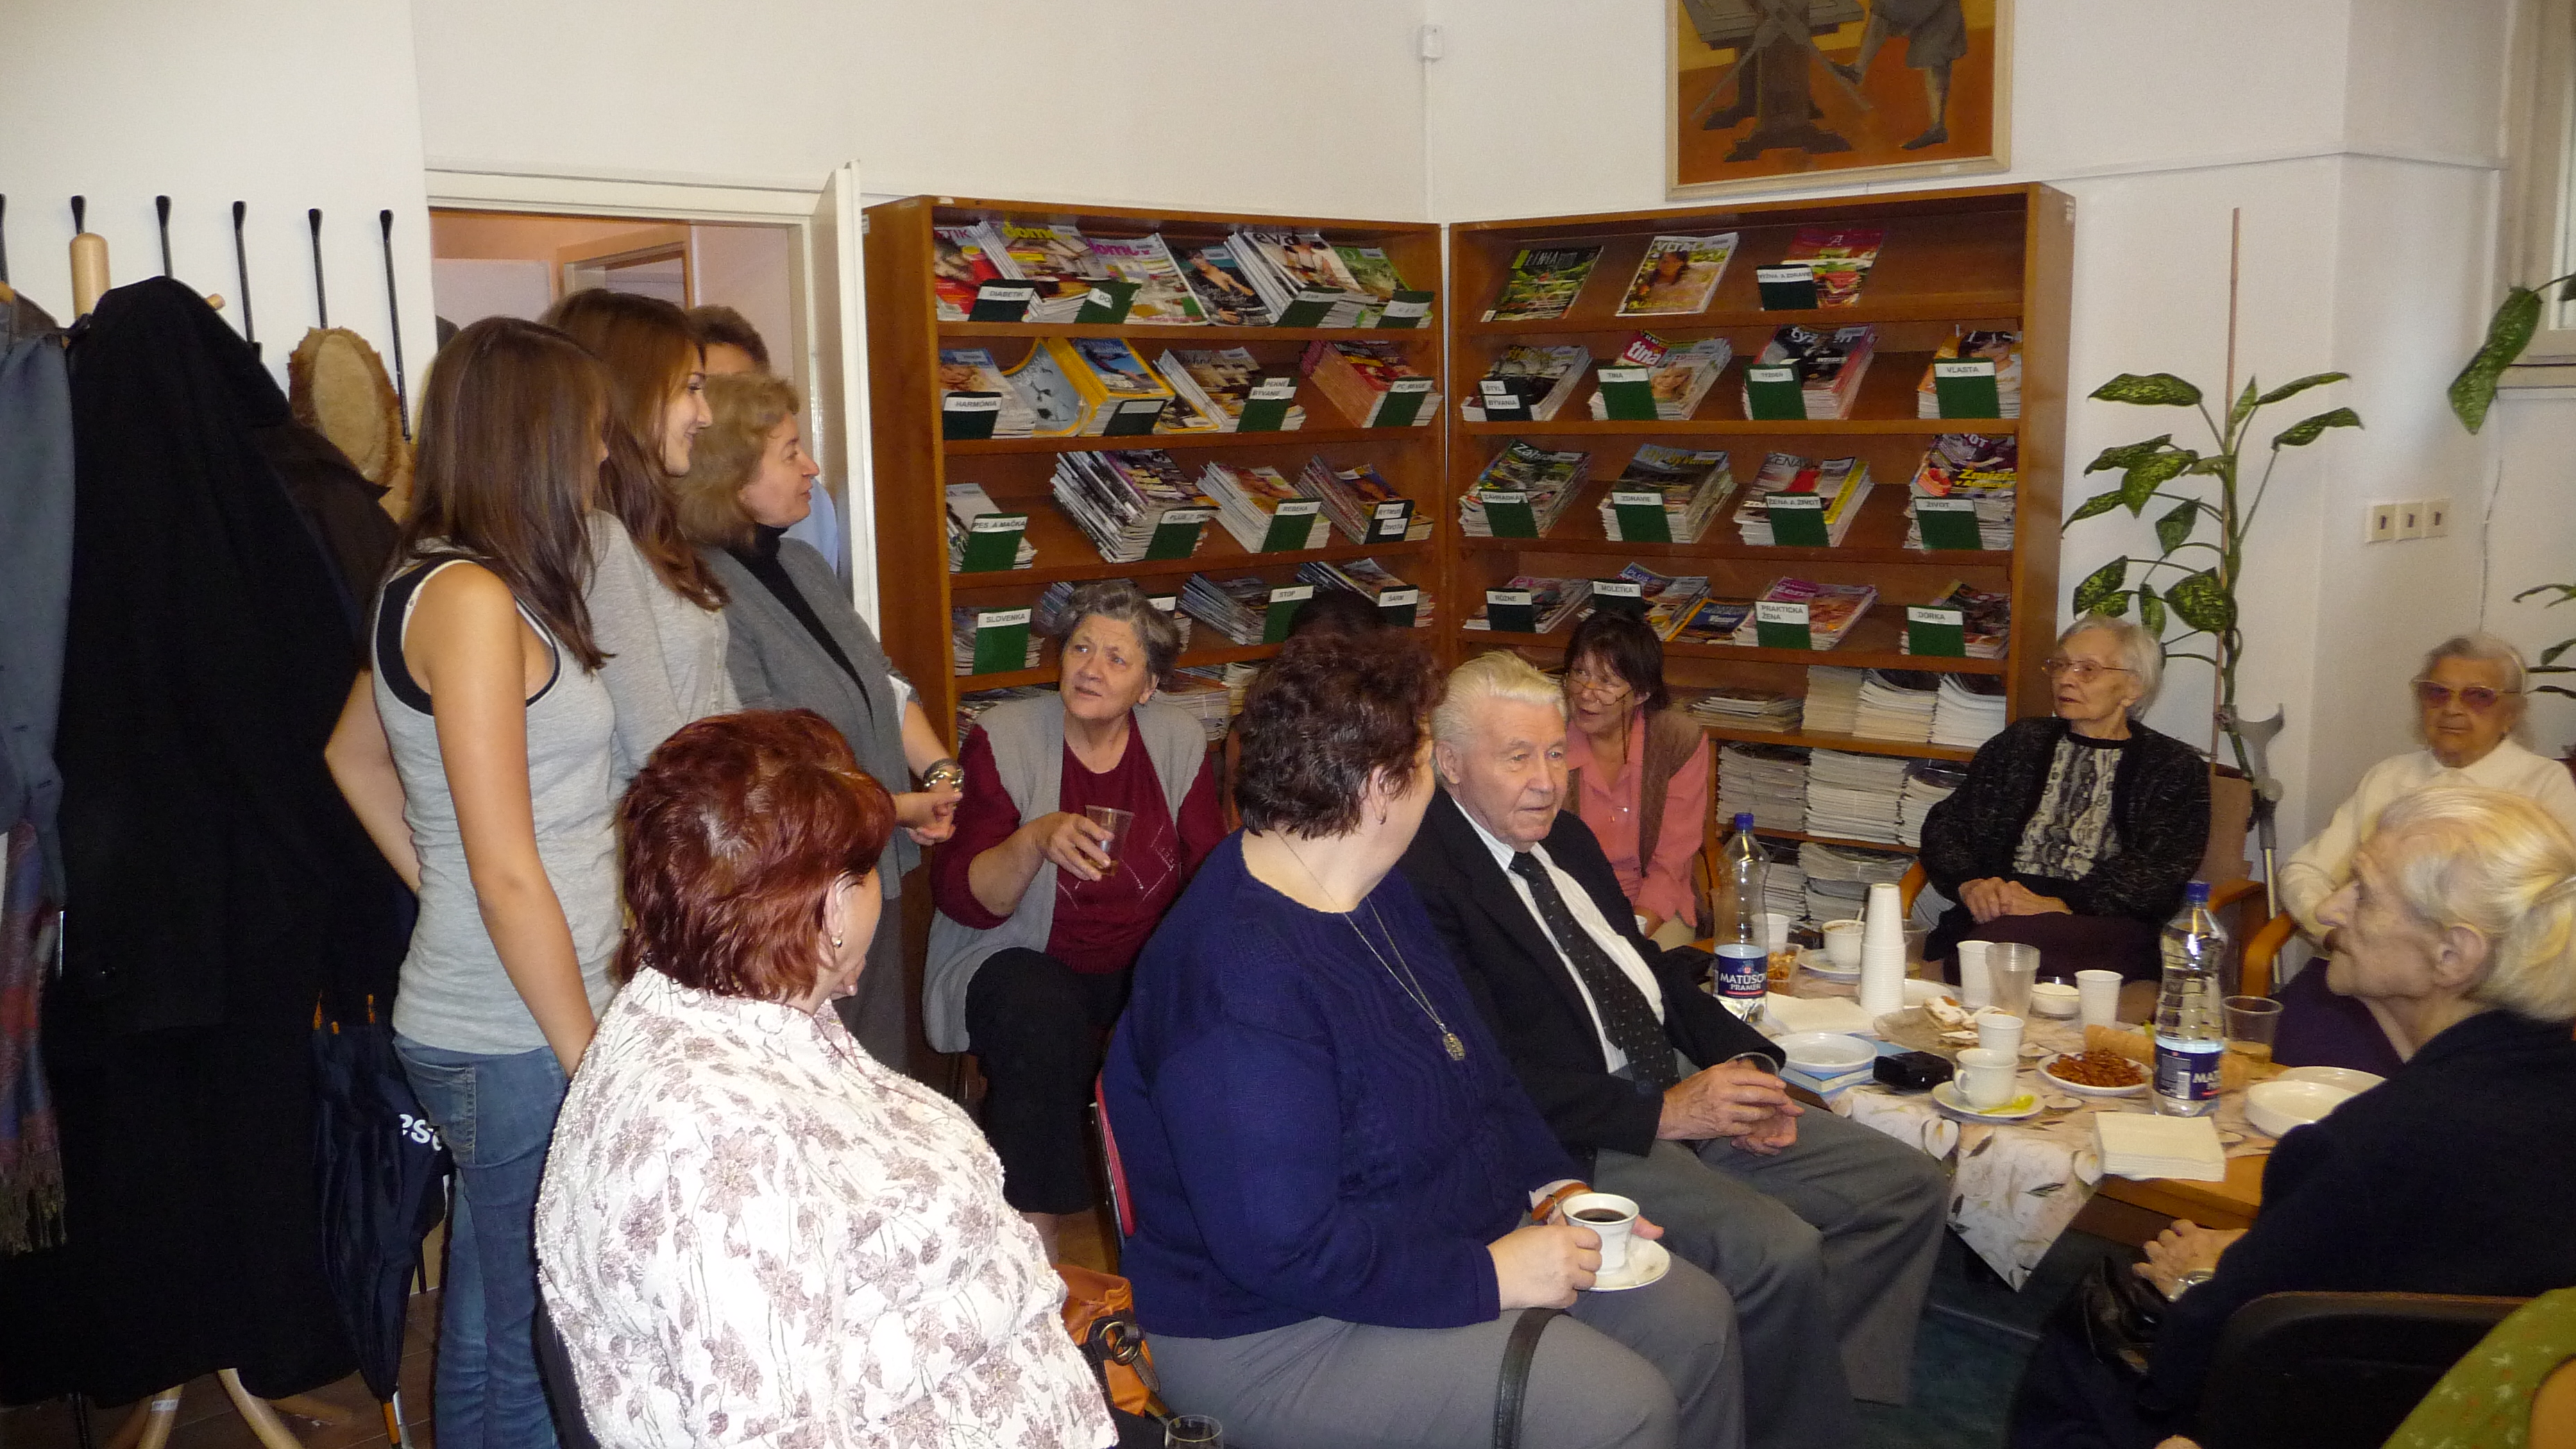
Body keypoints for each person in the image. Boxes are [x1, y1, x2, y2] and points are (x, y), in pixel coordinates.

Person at [1104, 632, 1745, 1449]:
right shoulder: (1237, 982)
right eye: (1421, 757)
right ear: (1381, 787)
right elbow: (1283, 1248)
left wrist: (1552, 1187)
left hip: (1424, 1249)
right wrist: (1490, 1274)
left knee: (1692, 1318)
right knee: (1621, 1406)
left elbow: (1483, 1070)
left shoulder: (1371, 888)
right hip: (1275, 1331)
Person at [1398, 650, 1947, 1449]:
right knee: (1777, 1249)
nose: (1546, 781)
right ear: (1449, 763)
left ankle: (1806, 1377)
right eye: (1516, 757)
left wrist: (1749, 1067)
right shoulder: (1421, 877)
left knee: (1907, 1185)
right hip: (1589, 1126)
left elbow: (1644, 967)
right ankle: (1793, 1418)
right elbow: (1487, 1075)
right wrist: (1665, 1113)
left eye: (1553, 753)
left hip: (1672, 1073)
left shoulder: (1565, 840)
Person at [536, 710, 1113, 1449]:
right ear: (832, 907)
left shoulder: (733, 995)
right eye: (868, 873)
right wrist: (1003, 1293)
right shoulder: (715, 1148)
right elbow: (773, 1432)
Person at [2010, 785, 2576, 1449]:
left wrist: (2196, 1281)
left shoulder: (2366, 1146)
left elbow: (2202, 1363)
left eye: (2364, 892)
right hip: (2496, 1417)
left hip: (2328, 1422)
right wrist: (2261, 1250)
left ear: (2455, 954)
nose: (2330, 909)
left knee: (2089, 1336)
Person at [323, 317, 622, 1449]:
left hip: (504, 1009)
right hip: (514, 1029)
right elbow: (503, 870)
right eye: (591, 431)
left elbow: (352, 756)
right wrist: (588, 1055)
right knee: (533, 1335)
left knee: (497, 1308)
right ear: (532, 438)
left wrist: (444, 879)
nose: (603, 454)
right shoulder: (468, 602)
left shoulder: (462, 585)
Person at [672, 370, 960, 1074]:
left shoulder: (801, 563)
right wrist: (896, 808)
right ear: (732, 477)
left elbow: (882, 682)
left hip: (868, 868)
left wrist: (937, 771)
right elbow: (766, 765)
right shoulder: (705, 592)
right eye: (790, 452)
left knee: (877, 1072)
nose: (812, 468)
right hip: (794, 893)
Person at [926, 580, 1223, 1258]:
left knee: (1214, 1001)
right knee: (1041, 1012)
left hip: (1137, 958)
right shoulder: (1006, 736)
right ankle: (1037, 1243)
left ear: (1149, 686)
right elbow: (965, 898)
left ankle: (1196, 1230)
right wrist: (1035, 838)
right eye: (1081, 648)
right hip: (1017, 954)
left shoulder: (1177, 739)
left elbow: (1208, 867)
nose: (1091, 668)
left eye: (1117, 658)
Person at [2274, 634, 2576, 1074]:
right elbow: (2304, 869)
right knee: (2276, 1072)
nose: (2452, 708)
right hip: (2358, 982)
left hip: (2478, 1005)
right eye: (2437, 693)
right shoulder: (2389, 776)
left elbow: (2557, 914)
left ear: (2511, 712)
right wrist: (2337, 934)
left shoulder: (2544, 785)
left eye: (2478, 696)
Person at [1918, 614, 2210, 981]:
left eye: (2087, 670)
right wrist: (1972, 884)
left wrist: (2063, 905)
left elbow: (2160, 870)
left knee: (1990, 952)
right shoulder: (2021, 742)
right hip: (2000, 908)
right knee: (1986, 946)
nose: (2066, 679)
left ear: (2132, 688)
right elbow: (1947, 824)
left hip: (2104, 924)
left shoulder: (2172, 766)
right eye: (2060, 665)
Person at [541, 289, 734, 781]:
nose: (705, 415)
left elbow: (715, 705)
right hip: (669, 818)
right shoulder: (598, 541)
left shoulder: (649, 531)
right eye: (691, 388)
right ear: (633, 390)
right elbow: (657, 747)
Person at [1561, 609, 1711, 949]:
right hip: (1572, 905)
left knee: (1648, 969)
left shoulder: (1677, 742)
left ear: (1642, 693)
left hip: (1655, 906)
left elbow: (1671, 863)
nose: (1586, 692)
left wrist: (1630, 935)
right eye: (1580, 673)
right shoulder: (1550, 738)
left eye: (1607, 682)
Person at [687, 303, 844, 575]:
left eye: (744, 386)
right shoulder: (661, 507)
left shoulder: (810, 499)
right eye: (711, 389)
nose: (734, 407)